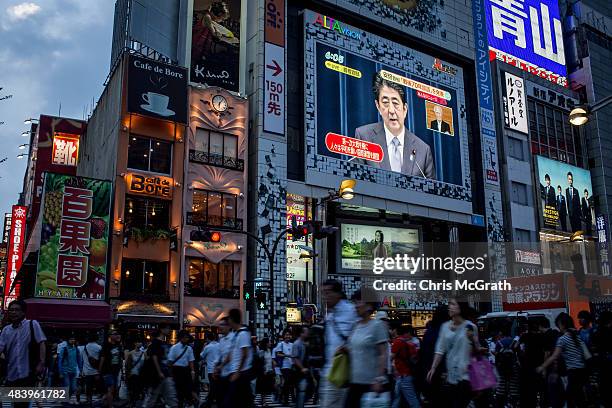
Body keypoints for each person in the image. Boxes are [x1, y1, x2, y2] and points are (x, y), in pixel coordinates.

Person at [355, 72, 435, 179]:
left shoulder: (423, 150)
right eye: (385, 103)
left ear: (405, 109)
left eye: (395, 103)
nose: (391, 111)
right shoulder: (364, 137)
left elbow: (432, 193)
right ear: (378, 106)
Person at [426, 299, 481, 408]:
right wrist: (433, 367)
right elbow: (440, 349)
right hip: (451, 375)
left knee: (459, 402)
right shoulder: (444, 327)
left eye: (453, 304)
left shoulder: (470, 327)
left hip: (466, 375)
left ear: (460, 307)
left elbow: (476, 351)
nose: (449, 307)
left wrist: (473, 341)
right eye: (449, 304)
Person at [342, 289, 389, 407]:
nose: (356, 306)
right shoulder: (355, 326)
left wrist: (379, 378)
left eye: (358, 302)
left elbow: (383, 353)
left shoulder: (377, 326)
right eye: (355, 302)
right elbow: (352, 347)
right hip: (353, 382)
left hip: (370, 384)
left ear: (369, 306)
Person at [0, 300, 47, 408]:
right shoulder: (6, 330)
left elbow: (41, 343)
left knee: (21, 404)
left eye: (17, 310)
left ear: (23, 312)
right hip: (11, 374)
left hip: (27, 373)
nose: (13, 312)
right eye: (11, 310)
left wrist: (41, 362)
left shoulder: (32, 324)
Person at [537, 312, 590, 408]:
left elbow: (554, 356)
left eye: (559, 325)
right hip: (583, 371)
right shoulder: (578, 335)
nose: (558, 328)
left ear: (562, 324)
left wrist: (542, 367)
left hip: (573, 372)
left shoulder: (563, 339)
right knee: (579, 398)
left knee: (570, 397)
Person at [320, 279, 358, 408]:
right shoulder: (329, 315)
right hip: (330, 372)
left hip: (345, 372)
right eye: (323, 293)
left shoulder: (351, 311)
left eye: (328, 292)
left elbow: (359, 336)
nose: (325, 297)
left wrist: (346, 347)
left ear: (338, 293)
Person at [220, 308, 253, 408]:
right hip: (236, 373)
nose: (228, 320)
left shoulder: (243, 334)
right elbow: (231, 353)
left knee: (234, 402)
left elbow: (245, 354)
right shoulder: (236, 334)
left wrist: (238, 372)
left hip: (241, 374)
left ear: (232, 319)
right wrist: (221, 366)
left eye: (229, 318)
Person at [142, 325, 177, 408]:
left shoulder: (164, 343)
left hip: (166, 373)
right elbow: (154, 357)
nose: (169, 330)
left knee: (171, 396)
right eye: (167, 328)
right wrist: (159, 372)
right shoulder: (155, 343)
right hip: (157, 375)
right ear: (162, 329)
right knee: (152, 397)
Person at [391, 325, 420, 408]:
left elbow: (390, 358)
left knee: (411, 399)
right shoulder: (410, 343)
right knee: (397, 397)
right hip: (405, 374)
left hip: (403, 375)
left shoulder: (397, 342)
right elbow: (415, 358)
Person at [168, 330, 196, 408]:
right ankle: (180, 404)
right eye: (185, 337)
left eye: (187, 337)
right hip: (177, 370)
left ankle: (189, 403)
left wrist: (192, 371)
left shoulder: (189, 348)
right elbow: (170, 361)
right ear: (181, 338)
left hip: (186, 371)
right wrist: (170, 374)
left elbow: (191, 361)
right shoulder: (174, 348)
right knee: (179, 390)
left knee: (188, 389)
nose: (186, 339)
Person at [98, 330, 123, 408]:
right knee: (110, 389)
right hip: (107, 370)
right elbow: (102, 358)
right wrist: (99, 370)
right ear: (110, 336)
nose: (116, 335)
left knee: (113, 389)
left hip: (116, 370)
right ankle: (110, 405)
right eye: (114, 334)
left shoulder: (118, 345)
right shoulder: (106, 346)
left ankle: (103, 401)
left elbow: (120, 357)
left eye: (117, 334)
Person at [58, 335, 83, 405]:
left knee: (73, 388)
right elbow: (60, 360)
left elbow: (79, 360)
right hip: (65, 371)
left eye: (74, 339)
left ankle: (66, 399)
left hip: (73, 371)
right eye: (71, 339)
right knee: (67, 386)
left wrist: (81, 370)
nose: (72, 340)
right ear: (68, 340)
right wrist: (60, 372)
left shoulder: (76, 349)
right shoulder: (64, 349)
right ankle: (65, 400)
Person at [80, 332, 101, 407]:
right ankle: (101, 400)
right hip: (96, 371)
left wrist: (81, 370)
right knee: (98, 387)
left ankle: (89, 401)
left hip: (87, 371)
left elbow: (82, 360)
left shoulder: (84, 347)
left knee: (88, 387)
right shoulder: (99, 347)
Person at [200, 332, 221, 408]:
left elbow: (201, 355)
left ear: (207, 339)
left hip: (211, 369)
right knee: (216, 385)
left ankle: (209, 402)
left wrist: (204, 346)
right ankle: (215, 400)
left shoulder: (207, 347)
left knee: (212, 386)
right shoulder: (219, 345)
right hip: (219, 369)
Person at [292, 327, 310, 408]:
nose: (307, 333)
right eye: (306, 332)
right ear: (301, 333)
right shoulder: (297, 343)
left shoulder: (304, 343)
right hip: (298, 371)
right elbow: (295, 358)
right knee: (301, 391)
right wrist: (302, 368)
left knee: (303, 391)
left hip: (304, 371)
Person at [125, 338, 145, 407]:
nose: (140, 343)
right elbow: (127, 366)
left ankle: (135, 403)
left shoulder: (143, 353)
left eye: (141, 342)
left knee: (138, 390)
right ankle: (132, 403)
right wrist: (127, 375)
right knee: (133, 390)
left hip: (140, 375)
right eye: (138, 342)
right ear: (135, 343)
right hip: (132, 374)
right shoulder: (130, 353)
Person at [276, 330, 294, 405]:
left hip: (291, 366)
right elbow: (278, 354)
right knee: (286, 382)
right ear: (284, 336)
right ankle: (285, 399)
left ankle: (281, 396)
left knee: (289, 383)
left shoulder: (292, 344)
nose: (287, 336)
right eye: (286, 335)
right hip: (284, 366)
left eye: (289, 335)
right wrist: (287, 355)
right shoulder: (281, 344)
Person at [256, 338, 275, 407]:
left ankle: (262, 400)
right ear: (266, 343)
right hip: (263, 372)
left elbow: (270, 361)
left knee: (266, 388)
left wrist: (272, 368)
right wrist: (264, 370)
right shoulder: (261, 351)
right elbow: (260, 363)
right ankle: (263, 402)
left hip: (269, 372)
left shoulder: (269, 350)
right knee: (263, 388)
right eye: (269, 342)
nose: (270, 343)